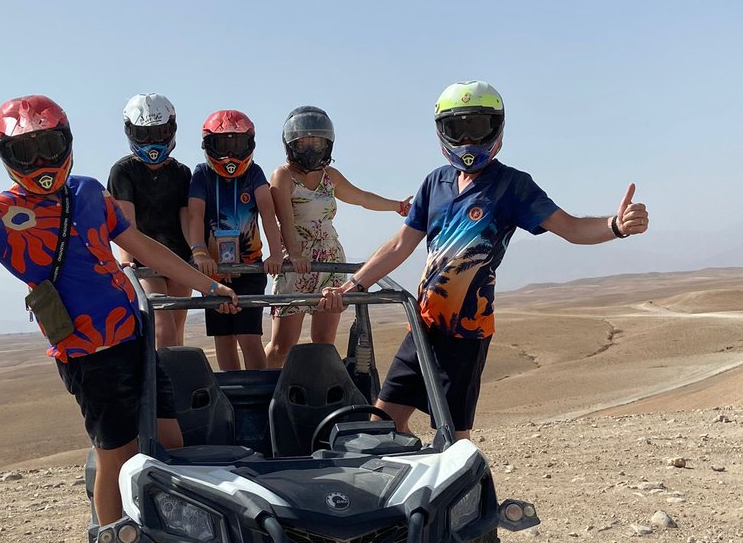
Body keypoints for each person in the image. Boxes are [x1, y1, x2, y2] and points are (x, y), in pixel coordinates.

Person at [0, 95, 238, 526]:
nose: (41, 160)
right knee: (116, 455)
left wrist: (208, 285)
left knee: (167, 440)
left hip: (134, 335)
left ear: (67, 143)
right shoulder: (0, 214)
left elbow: (144, 248)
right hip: (86, 352)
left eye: (50, 146)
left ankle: (172, 533)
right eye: (27, 151)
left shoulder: (89, 191)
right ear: (7, 157)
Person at [320, 81, 649, 441]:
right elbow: (400, 244)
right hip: (423, 326)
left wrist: (615, 226)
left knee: (453, 438)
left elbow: (570, 228)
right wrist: (353, 286)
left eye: (477, 128)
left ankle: (468, 495)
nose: (467, 141)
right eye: (457, 129)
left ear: (497, 129)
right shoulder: (435, 183)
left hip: (466, 331)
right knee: (384, 424)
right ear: (442, 132)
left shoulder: (512, 186)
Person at [265, 105, 412, 368]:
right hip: (297, 263)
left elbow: (362, 198)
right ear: (291, 142)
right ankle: (264, 393)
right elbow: (284, 220)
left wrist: (397, 205)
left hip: (330, 260)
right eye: (304, 140)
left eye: (317, 140)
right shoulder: (283, 175)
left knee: (323, 342)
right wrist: (295, 255)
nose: (310, 146)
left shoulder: (329, 177)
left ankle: (317, 397)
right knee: (282, 345)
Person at [187, 109, 283, 370]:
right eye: (222, 144)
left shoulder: (254, 174)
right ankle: (232, 396)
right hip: (212, 271)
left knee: (249, 338)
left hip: (250, 268)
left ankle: (260, 396)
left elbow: (268, 213)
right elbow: (195, 215)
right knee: (224, 339)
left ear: (249, 144)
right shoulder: (202, 175)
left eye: (236, 144)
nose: (230, 154)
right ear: (208, 145)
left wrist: (276, 254)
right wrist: (199, 253)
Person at [108, 93, 193, 349]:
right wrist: (127, 261)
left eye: (159, 133)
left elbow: (186, 219)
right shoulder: (122, 172)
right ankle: (162, 386)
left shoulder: (181, 173)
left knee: (176, 333)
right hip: (143, 260)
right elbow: (126, 225)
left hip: (178, 257)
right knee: (162, 330)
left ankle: (174, 387)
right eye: (144, 134)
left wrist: (196, 254)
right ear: (131, 132)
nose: (153, 141)